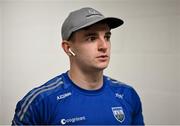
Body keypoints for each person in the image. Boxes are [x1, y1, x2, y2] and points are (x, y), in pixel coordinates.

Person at [12, 7, 144, 125]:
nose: (104, 46)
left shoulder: (128, 95)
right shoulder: (40, 102)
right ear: (68, 48)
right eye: (91, 38)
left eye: (107, 37)